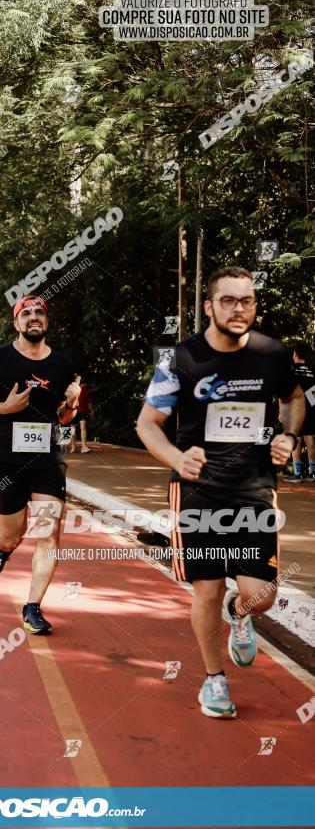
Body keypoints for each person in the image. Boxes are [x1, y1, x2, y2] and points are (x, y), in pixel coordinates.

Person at [136, 266, 305, 720]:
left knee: (262, 594)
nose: (239, 309)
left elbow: (294, 399)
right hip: (198, 492)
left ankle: (241, 613)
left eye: (246, 300)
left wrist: (288, 437)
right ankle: (213, 681)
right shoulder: (181, 359)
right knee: (206, 590)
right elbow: (147, 424)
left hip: (253, 487)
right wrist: (175, 458)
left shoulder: (272, 353)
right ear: (209, 306)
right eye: (228, 301)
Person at [0, 295, 80, 635]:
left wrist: (71, 405)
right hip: (5, 461)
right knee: (12, 533)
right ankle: (3, 548)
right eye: (25, 313)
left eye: (39, 312)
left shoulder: (62, 365)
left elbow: (62, 416)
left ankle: (33, 607)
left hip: (46, 461)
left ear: (47, 321)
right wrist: (6, 408)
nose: (33, 317)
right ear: (16, 323)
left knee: (49, 532)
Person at [283, 343, 315, 483]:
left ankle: (297, 474)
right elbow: (313, 396)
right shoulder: (312, 372)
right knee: (310, 439)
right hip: (310, 409)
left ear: (295, 354)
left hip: (294, 410)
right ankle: (312, 473)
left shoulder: (290, 371)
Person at [69, 375, 94, 453]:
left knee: (83, 427)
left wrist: (91, 410)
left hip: (83, 411)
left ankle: (84, 446)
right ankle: (73, 446)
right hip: (73, 411)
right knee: (72, 429)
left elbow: (89, 401)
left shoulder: (85, 388)